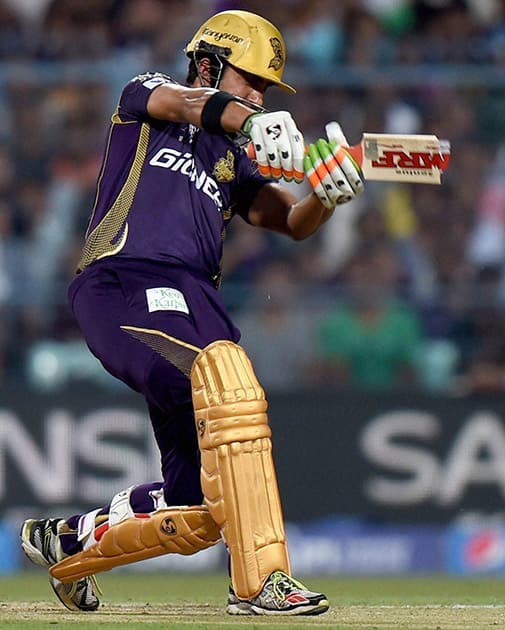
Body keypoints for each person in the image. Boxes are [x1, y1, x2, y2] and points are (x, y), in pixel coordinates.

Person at [19, 10, 363, 616]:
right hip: (123, 282)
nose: (257, 95)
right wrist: (253, 120)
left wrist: (326, 199)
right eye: (250, 80)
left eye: (265, 88)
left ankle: (69, 544)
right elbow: (186, 106)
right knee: (228, 379)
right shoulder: (146, 96)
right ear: (208, 64)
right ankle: (260, 582)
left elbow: (290, 222)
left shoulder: (234, 158)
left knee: (199, 508)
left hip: (196, 305)